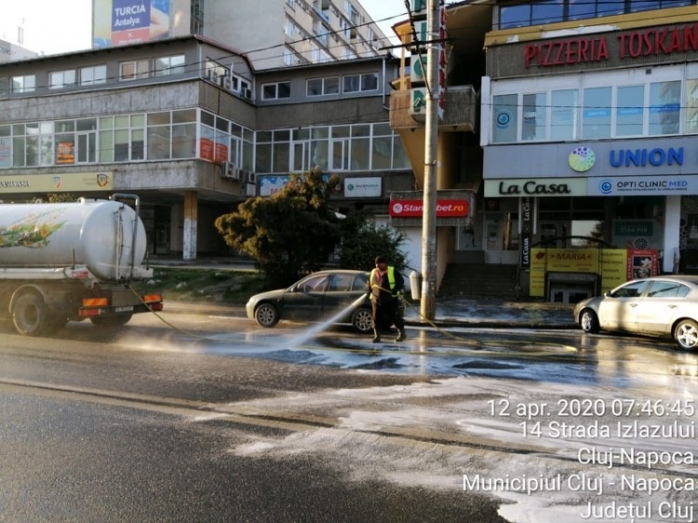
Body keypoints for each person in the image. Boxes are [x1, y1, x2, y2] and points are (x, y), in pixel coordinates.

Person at [367, 256, 406, 343]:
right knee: (376, 318)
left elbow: (401, 281)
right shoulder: (374, 272)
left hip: (390, 299)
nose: (378, 266)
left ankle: (402, 333)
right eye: (376, 264)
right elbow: (370, 283)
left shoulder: (392, 271)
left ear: (385, 264)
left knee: (394, 317)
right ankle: (377, 336)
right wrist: (369, 290)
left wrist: (395, 289)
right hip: (376, 299)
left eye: (380, 264)